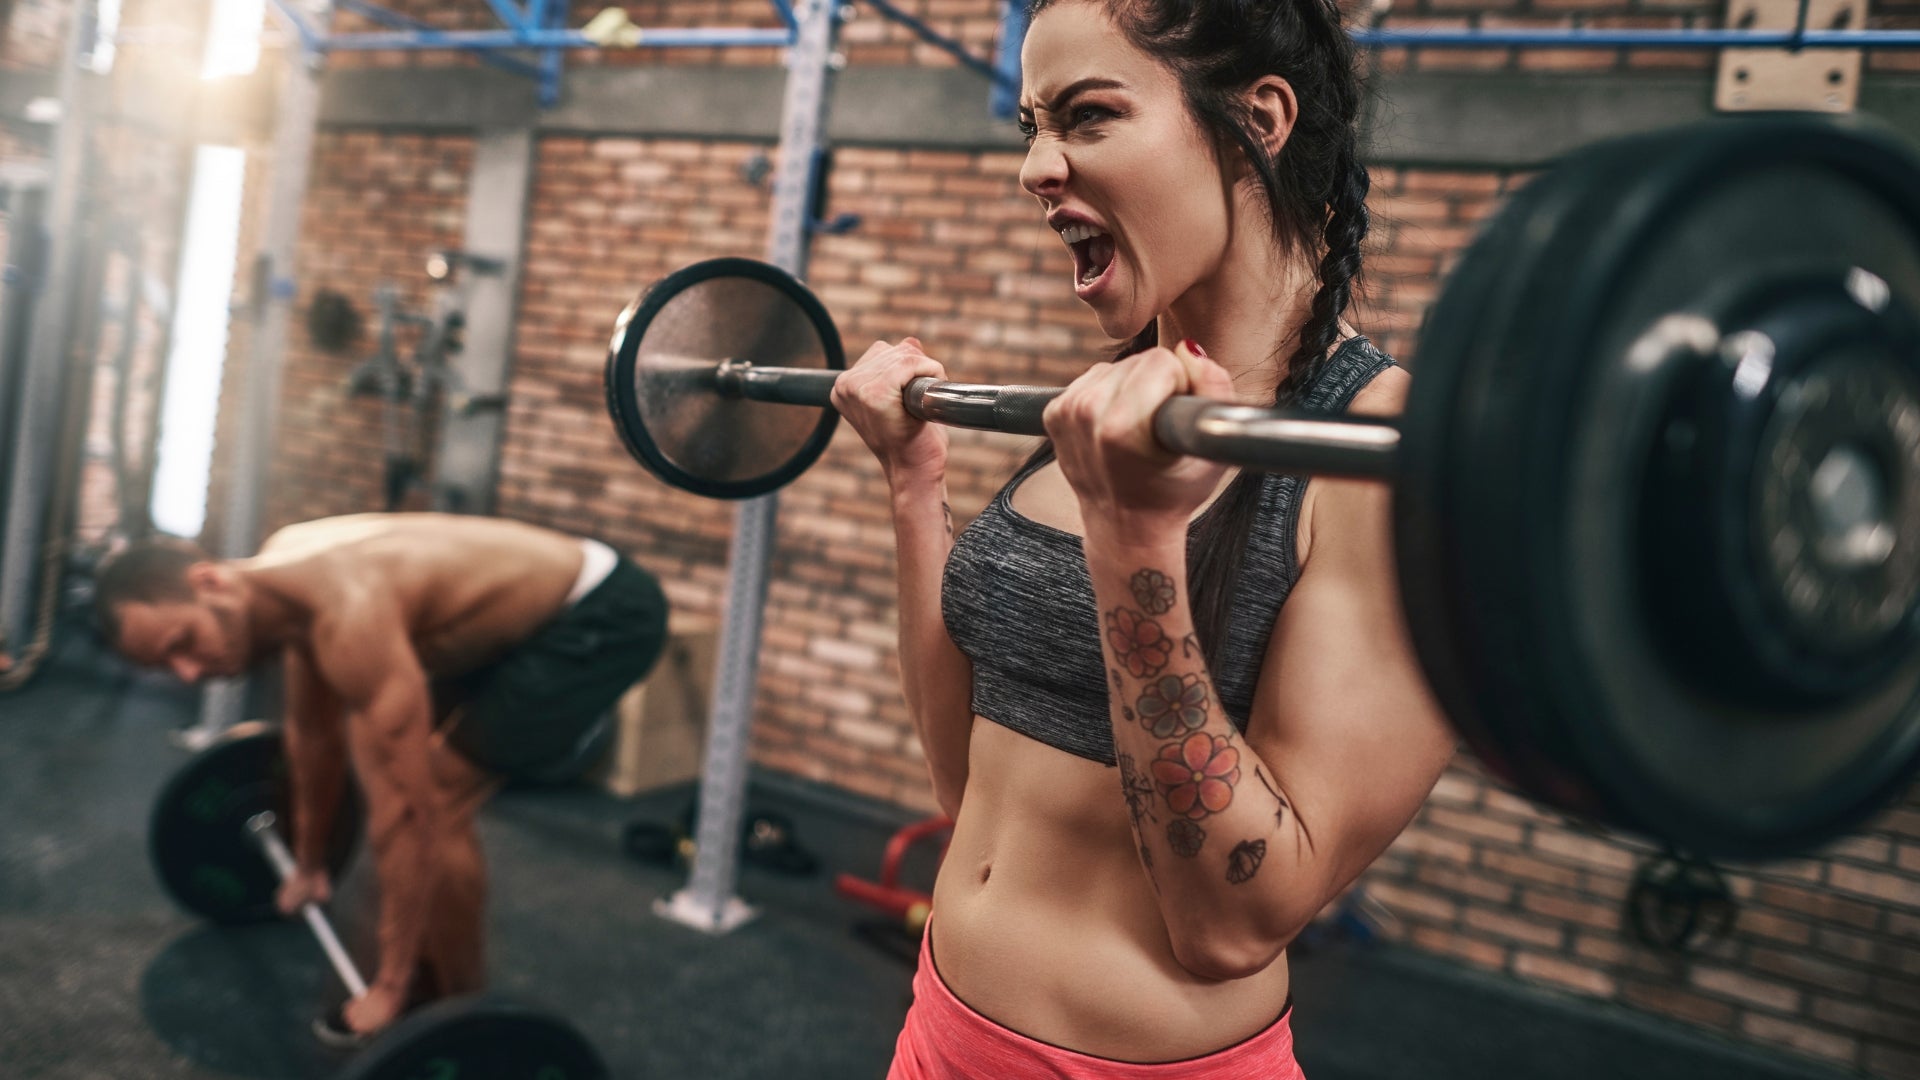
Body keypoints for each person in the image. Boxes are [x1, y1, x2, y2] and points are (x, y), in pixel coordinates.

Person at [831, 0, 1457, 1074]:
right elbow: (963, 783)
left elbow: (1234, 924)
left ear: (1258, 119)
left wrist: (1133, 536)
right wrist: (911, 482)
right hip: (938, 1033)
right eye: (1032, 124)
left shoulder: (1376, 452)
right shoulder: (1110, 402)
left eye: (1087, 116)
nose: (1037, 164)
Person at [94, 513, 668, 1040]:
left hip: (600, 612)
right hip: (510, 617)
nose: (190, 673)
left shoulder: (349, 612)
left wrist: (387, 986)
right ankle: (429, 974)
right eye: (168, 666)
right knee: (401, 769)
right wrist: (308, 863)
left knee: (437, 797)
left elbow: (407, 812)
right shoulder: (283, 577)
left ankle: (462, 1012)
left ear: (210, 582)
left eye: (184, 644)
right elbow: (313, 735)